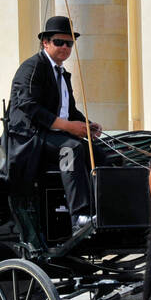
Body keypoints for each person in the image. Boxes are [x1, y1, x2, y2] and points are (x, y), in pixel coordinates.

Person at [7, 15, 106, 236]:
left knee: (102, 155)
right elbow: (27, 105)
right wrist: (68, 126)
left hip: (56, 135)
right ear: (45, 43)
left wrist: (88, 125)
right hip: (31, 138)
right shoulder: (32, 67)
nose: (65, 47)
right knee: (71, 149)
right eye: (59, 42)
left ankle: (104, 211)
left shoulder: (62, 74)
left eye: (69, 43)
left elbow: (68, 110)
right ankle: (79, 216)